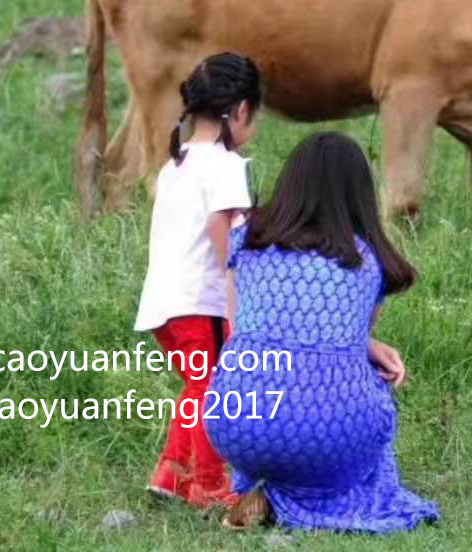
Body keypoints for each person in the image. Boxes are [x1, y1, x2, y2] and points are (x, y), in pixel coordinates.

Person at [206, 131, 439, 533]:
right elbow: (340, 343)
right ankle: (302, 496)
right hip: (325, 434)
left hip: (234, 422)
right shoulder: (369, 260)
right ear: (359, 195)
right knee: (368, 392)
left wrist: (368, 346)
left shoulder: (247, 241)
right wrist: (370, 346)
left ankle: (259, 490)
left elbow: (240, 330)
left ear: (291, 183)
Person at [132, 52, 263, 510]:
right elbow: (218, 228)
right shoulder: (226, 166)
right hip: (200, 300)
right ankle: (208, 485)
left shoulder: (176, 164)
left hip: (162, 305)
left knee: (197, 387)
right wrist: (241, 282)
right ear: (242, 111)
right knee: (213, 392)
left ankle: (171, 473)